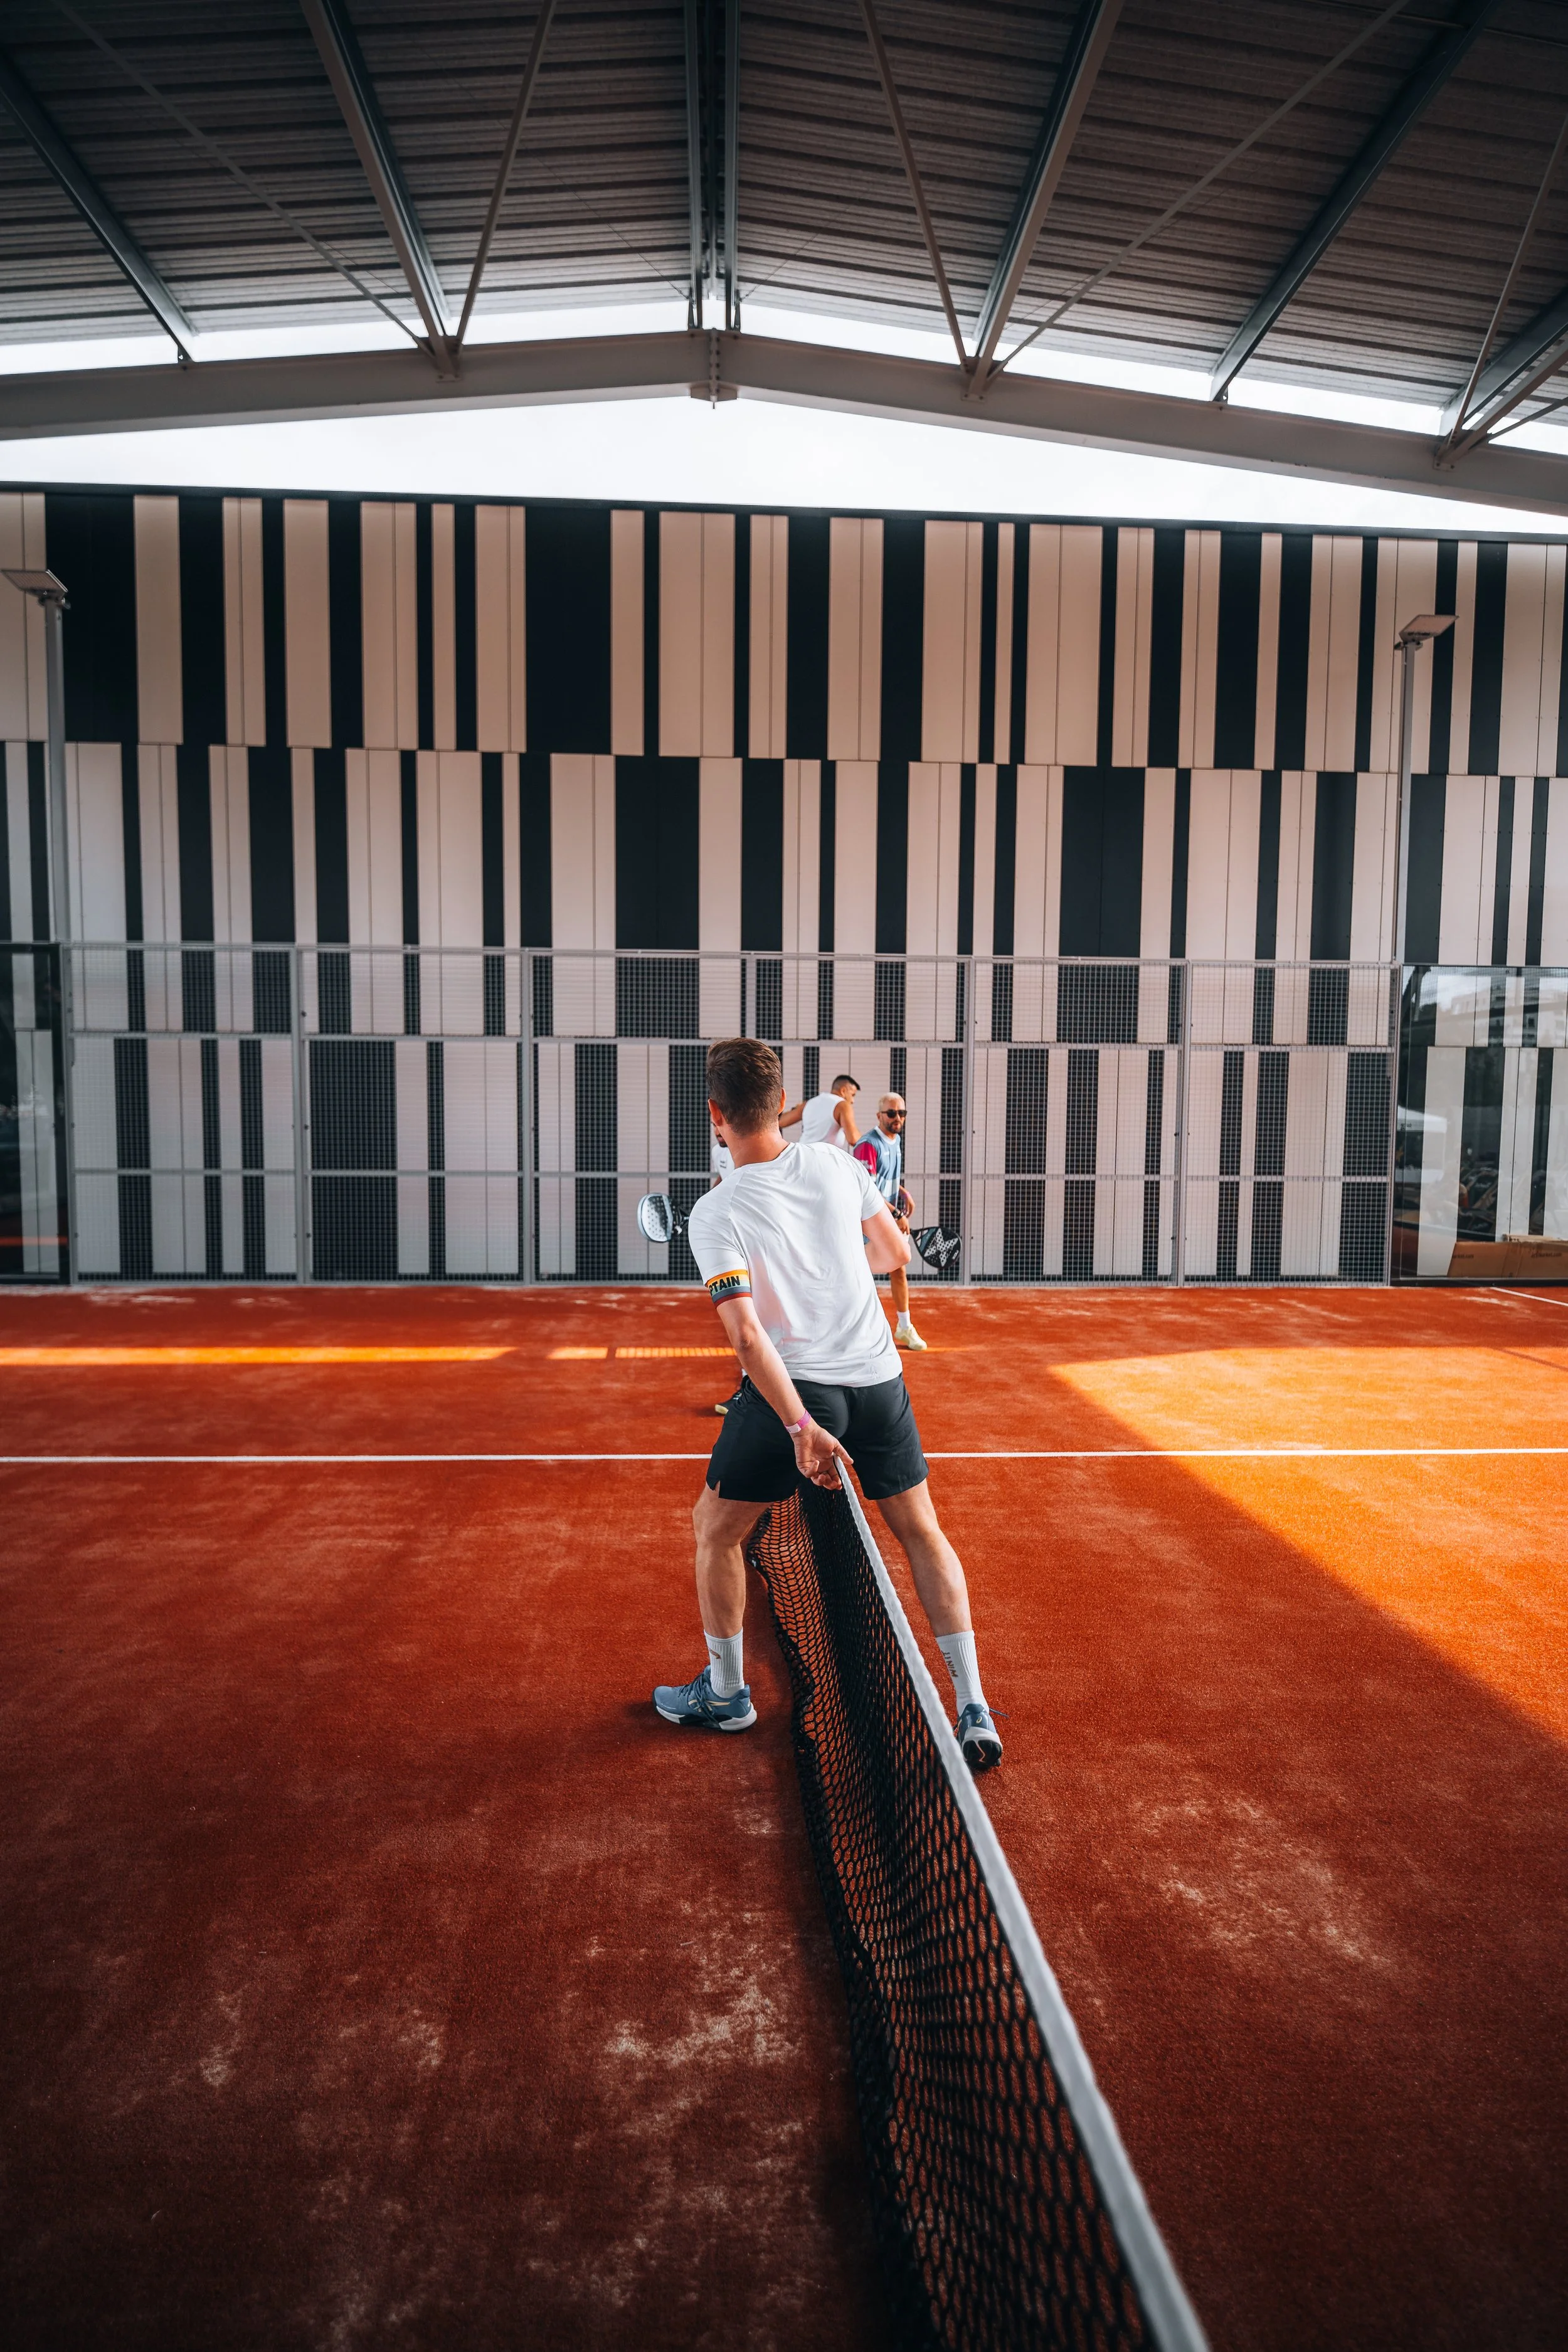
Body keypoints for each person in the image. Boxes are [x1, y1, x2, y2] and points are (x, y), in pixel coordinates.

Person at [652, 1037, 1002, 1772]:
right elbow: (895, 1257)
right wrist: (831, 1248)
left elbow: (748, 1338)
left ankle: (725, 1694)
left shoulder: (716, 1214)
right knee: (923, 1534)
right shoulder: (839, 1164)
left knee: (715, 1531)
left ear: (715, 1115)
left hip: (801, 1392)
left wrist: (802, 1428)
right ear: (780, 1104)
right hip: (880, 1383)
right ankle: (972, 1703)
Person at [854, 1091, 926, 1352]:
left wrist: (902, 1192)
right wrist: (896, 1215)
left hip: (884, 1216)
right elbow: (866, 1190)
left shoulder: (894, 1141)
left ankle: (904, 1327)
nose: (898, 1118)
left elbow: (886, 1179)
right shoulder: (868, 1145)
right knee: (860, 1276)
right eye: (892, 1113)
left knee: (898, 1266)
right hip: (866, 1219)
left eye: (902, 1113)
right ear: (879, 1115)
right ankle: (862, 1335)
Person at [780, 1072, 859, 1152]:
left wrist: (795, 1109)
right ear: (843, 1091)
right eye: (853, 1095)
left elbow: (781, 1122)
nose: (853, 1101)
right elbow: (853, 1139)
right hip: (823, 1159)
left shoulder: (809, 1103)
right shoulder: (843, 1105)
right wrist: (870, 1141)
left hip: (802, 1155)